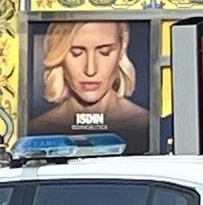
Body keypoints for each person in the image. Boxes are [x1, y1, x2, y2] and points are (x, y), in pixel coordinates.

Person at [29, 21, 150, 154]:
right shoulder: (36, 129)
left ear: (122, 49)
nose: (90, 70)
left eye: (105, 52)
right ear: (59, 54)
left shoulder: (147, 124)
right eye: (76, 53)